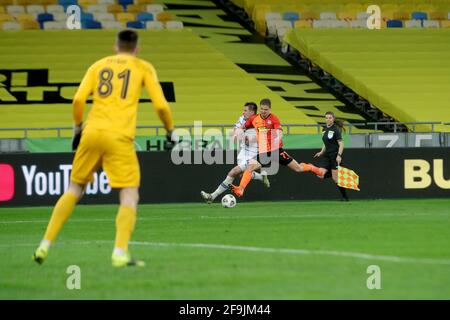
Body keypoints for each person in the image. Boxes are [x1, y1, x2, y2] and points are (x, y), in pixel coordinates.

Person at [32, 30, 176, 267]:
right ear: (136, 49)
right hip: (119, 137)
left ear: (115, 46)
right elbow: (161, 106)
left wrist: (78, 128)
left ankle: (44, 245)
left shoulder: (98, 65)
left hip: (91, 132)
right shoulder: (143, 67)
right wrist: (170, 130)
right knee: (129, 193)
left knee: (74, 188)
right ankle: (119, 252)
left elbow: (78, 100)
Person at [231, 98, 322, 197]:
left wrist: (278, 138)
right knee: (250, 167)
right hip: (264, 152)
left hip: (276, 151)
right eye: (262, 109)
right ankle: (240, 189)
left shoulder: (274, 119)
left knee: (298, 168)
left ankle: (312, 167)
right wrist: (237, 133)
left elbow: (279, 131)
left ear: (270, 109)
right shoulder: (254, 119)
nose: (263, 111)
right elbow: (243, 127)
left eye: (266, 109)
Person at [200, 102, 270, 203]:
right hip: (243, 152)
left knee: (233, 172)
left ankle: (212, 196)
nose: (243, 112)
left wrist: (250, 138)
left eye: (245, 110)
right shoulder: (241, 118)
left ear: (252, 112)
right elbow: (235, 130)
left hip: (256, 153)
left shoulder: (260, 121)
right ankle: (261, 176)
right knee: (241, 174)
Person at [313, 111, 349, 201]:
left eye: (330, 118)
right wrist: (321, 151)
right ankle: (330, 172)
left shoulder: (336, 130)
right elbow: (325, 143)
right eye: (326, 118)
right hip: (326, 156)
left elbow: (341, 144)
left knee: (335, 179)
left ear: (333, 119)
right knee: (320, 174)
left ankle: (345, 197)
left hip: (334, 156)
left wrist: (339, 155)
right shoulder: (324, 130)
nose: (328, 119)